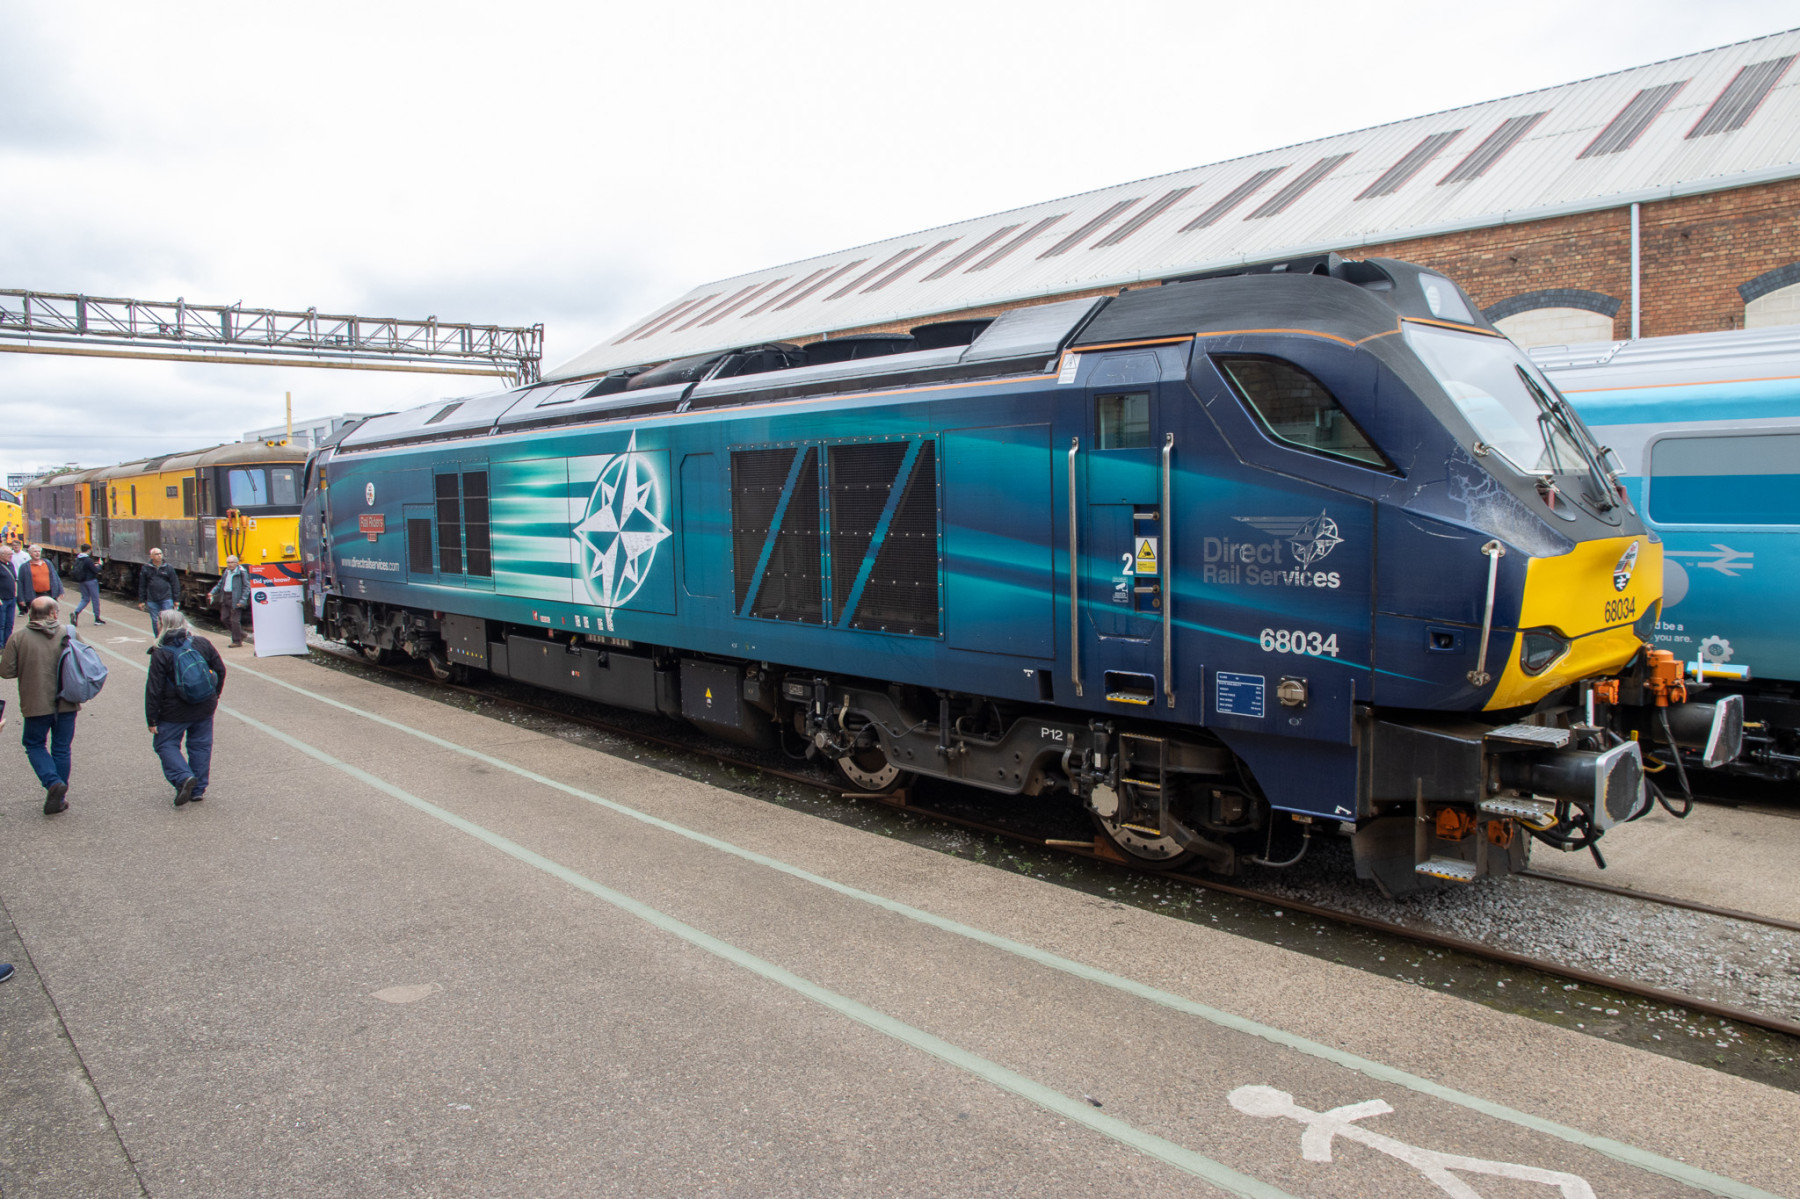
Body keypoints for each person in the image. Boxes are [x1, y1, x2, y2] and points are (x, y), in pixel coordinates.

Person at [0, 597, 81, 814]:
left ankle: (52, 782)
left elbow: (6, 671)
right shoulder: (69, 633)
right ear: (54, 613)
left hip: (35, 703)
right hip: (67, 701)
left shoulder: (18, 638)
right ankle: (59, 796)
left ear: (31, 614)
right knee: (62, 748)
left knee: (34, 744)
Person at [145, 609, 225, 806]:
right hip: (204, 705)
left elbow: (154, 688)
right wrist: (215, 695)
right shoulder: (201, 643)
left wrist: (152, 719)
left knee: (164, 744)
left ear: (161, 625)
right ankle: (198, 790)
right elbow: (221, 670)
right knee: (200, 746)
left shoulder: (160, 652)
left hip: (173, 711)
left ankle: (183, 777)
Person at [208, 555, 250, 648]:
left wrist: (243, 600)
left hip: (236, 598)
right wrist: (212, 592)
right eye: (228, 563)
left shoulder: (242, 572)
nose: (230, 565)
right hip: (226, 597)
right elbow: (220, 584)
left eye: (232, 563)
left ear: (236, 563)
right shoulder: (226, 572)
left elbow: (247, 587)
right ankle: (241, 634)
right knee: (224, 618)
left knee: (235, 620)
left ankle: (237, 641)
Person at [138, 548, 180, 627]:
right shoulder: (146, 568)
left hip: (166, 598)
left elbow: (175, 583)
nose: (159, 556)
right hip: (152, 599)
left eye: (160, 554)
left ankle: (167, 638)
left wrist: (176, 599)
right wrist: (141, 601)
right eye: (157, 554)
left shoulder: (168, 567)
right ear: (151, 556)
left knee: (168, 620)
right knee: (155, 621)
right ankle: (158, 638)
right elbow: (142, 585)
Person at [68, 543, 105, 627]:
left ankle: (76, 612)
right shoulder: (88, 560)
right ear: (88, 550)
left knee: (85, 599)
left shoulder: (78, 559)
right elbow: (95, 570)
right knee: (95, 599)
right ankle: (97, 619)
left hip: (82, 582)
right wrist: (99, 565)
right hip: (91, 581)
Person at [16, 544, 62, 609]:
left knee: (50, 614)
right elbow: (20, 583)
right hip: (34, 596)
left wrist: (60, 591)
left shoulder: (47, 563)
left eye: (39, 551)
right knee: (37, 615)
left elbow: (56, 577)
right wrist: (21, 599)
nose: (37, 553)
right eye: (35, 551)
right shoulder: (24, 567)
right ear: (30, 553)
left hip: (48, 594)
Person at [0, 543, 14, 647]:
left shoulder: (11, 565)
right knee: (1, 624)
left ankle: (7, 643)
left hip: (11, 598)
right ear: (1, 555)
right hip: (2, 600)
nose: (11, 556)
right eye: (9, 554)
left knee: (9, 623)